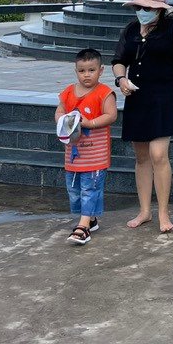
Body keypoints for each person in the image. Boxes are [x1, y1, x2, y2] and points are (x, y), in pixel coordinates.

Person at [112, 0, 173, 234]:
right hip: (136, 96)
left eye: (148, 7)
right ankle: (145, 211)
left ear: (160, 9)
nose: (143, 11)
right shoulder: (130, 30)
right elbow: (119, 60)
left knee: (158, 155)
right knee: (141, 157)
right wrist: (121, 80)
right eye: (140, 6)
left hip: (163, 95)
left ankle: (163, 212)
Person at [55, 47, 118, 245]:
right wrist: (64, 121)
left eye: (91, 70)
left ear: (101, 70)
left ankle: (83, 226)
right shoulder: (68, 93)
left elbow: (111, 115)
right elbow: (59, 112)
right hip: (73, 156)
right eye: (82, 71)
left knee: (89, 189)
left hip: (95, 156)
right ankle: (90, 218)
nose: (86, 75)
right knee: (73, 190)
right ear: (76, 71)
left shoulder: (104, 93)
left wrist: (89, 123)